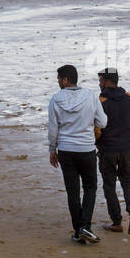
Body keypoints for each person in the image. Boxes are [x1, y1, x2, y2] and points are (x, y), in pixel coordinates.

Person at [48, 64, 108, 244]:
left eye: (59, 79)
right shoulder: (90, 96)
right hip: (86, 148)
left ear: (65, 80)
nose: (58, 82)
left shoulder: (55, 99)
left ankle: (78, 230)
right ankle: (85, 226)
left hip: (66, 150)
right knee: (90, 187)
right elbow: (103, 122)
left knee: (72, 191)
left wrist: (52, 149)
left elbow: (53, 129)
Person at [96, 68, 130, 233]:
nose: (100, 84)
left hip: (107, 148)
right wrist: (128, 137)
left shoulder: (101, 101)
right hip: (126, 148)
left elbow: (97, 128)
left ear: (107, 82)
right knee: (127, 182)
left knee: (109, 185)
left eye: (100, 81)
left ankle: (116, 221)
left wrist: (98, 143)